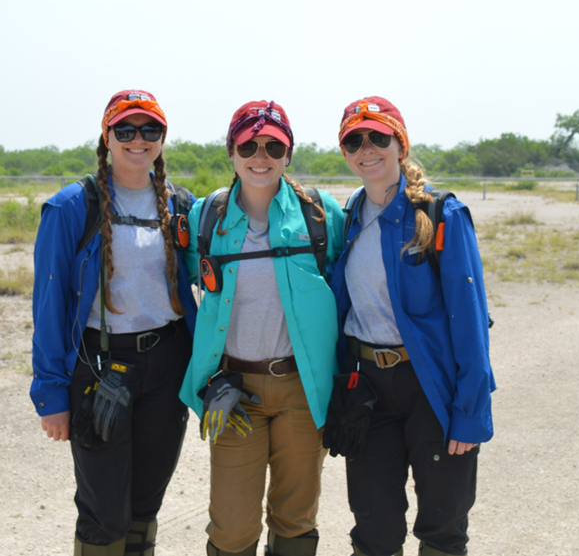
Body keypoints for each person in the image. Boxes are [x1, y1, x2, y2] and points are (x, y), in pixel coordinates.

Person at [323, 97, 495, 556]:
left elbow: (471, 322)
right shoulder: (351, 215)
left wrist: (470, 413)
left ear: (400, 144)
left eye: (379, 137)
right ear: (344, 153)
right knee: (374, 528)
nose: (367, 148)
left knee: (442, 525)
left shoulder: (442, 214)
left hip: (431, 388)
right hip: (368, 390)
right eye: (354, 141)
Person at [30, 90, 198, 556]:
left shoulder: (181, 204)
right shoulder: (72, 208)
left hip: (167, 366)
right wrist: (50, 393)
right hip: (98, 366)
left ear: (162, 139)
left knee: (146, 502)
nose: (138, 140)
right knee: (105, 508)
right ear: (107, 137)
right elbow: (48, 307)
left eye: (150, 130)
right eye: (125, 130)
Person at [179, 100, 345, 556]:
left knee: (295, 521)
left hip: (302, 389)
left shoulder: (320, 214)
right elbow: (180, 290)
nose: (261, 155)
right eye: (249, 144)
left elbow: (352, 292)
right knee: (232, 528)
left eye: (274, 145)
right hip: (234, 393)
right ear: (231, 151)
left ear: (288, 155)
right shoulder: (205, 217)